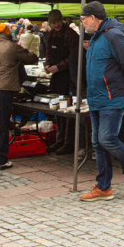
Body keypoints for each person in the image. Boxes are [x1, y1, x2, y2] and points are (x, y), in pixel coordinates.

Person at [77, 1, 124, 201]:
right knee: (98, 143)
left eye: (83, 20)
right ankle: (103, 187)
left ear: (93, 18)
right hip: (97, 97)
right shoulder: (97, 38)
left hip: (111, 97)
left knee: (107, 139)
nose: (82, 23)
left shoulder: (113, 35)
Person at [0, 23, 38, 170]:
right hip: (4, 90)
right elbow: (31, 58)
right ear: (7, 33)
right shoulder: (12, 46)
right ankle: (2, 160)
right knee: (3, 125)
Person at [43, 9, 80, 154]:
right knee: (59, 109)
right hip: (57, 76)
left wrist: (59, 67)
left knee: (69, 109)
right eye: (53, 23)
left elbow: (74, 57)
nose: (56, 24)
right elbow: (47, 53)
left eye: (58, 21)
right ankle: (59, 140)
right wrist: (47, 65)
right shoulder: (50, 35)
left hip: (69, 75)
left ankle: (69, 141)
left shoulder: (70, 35)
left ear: (62, 20)